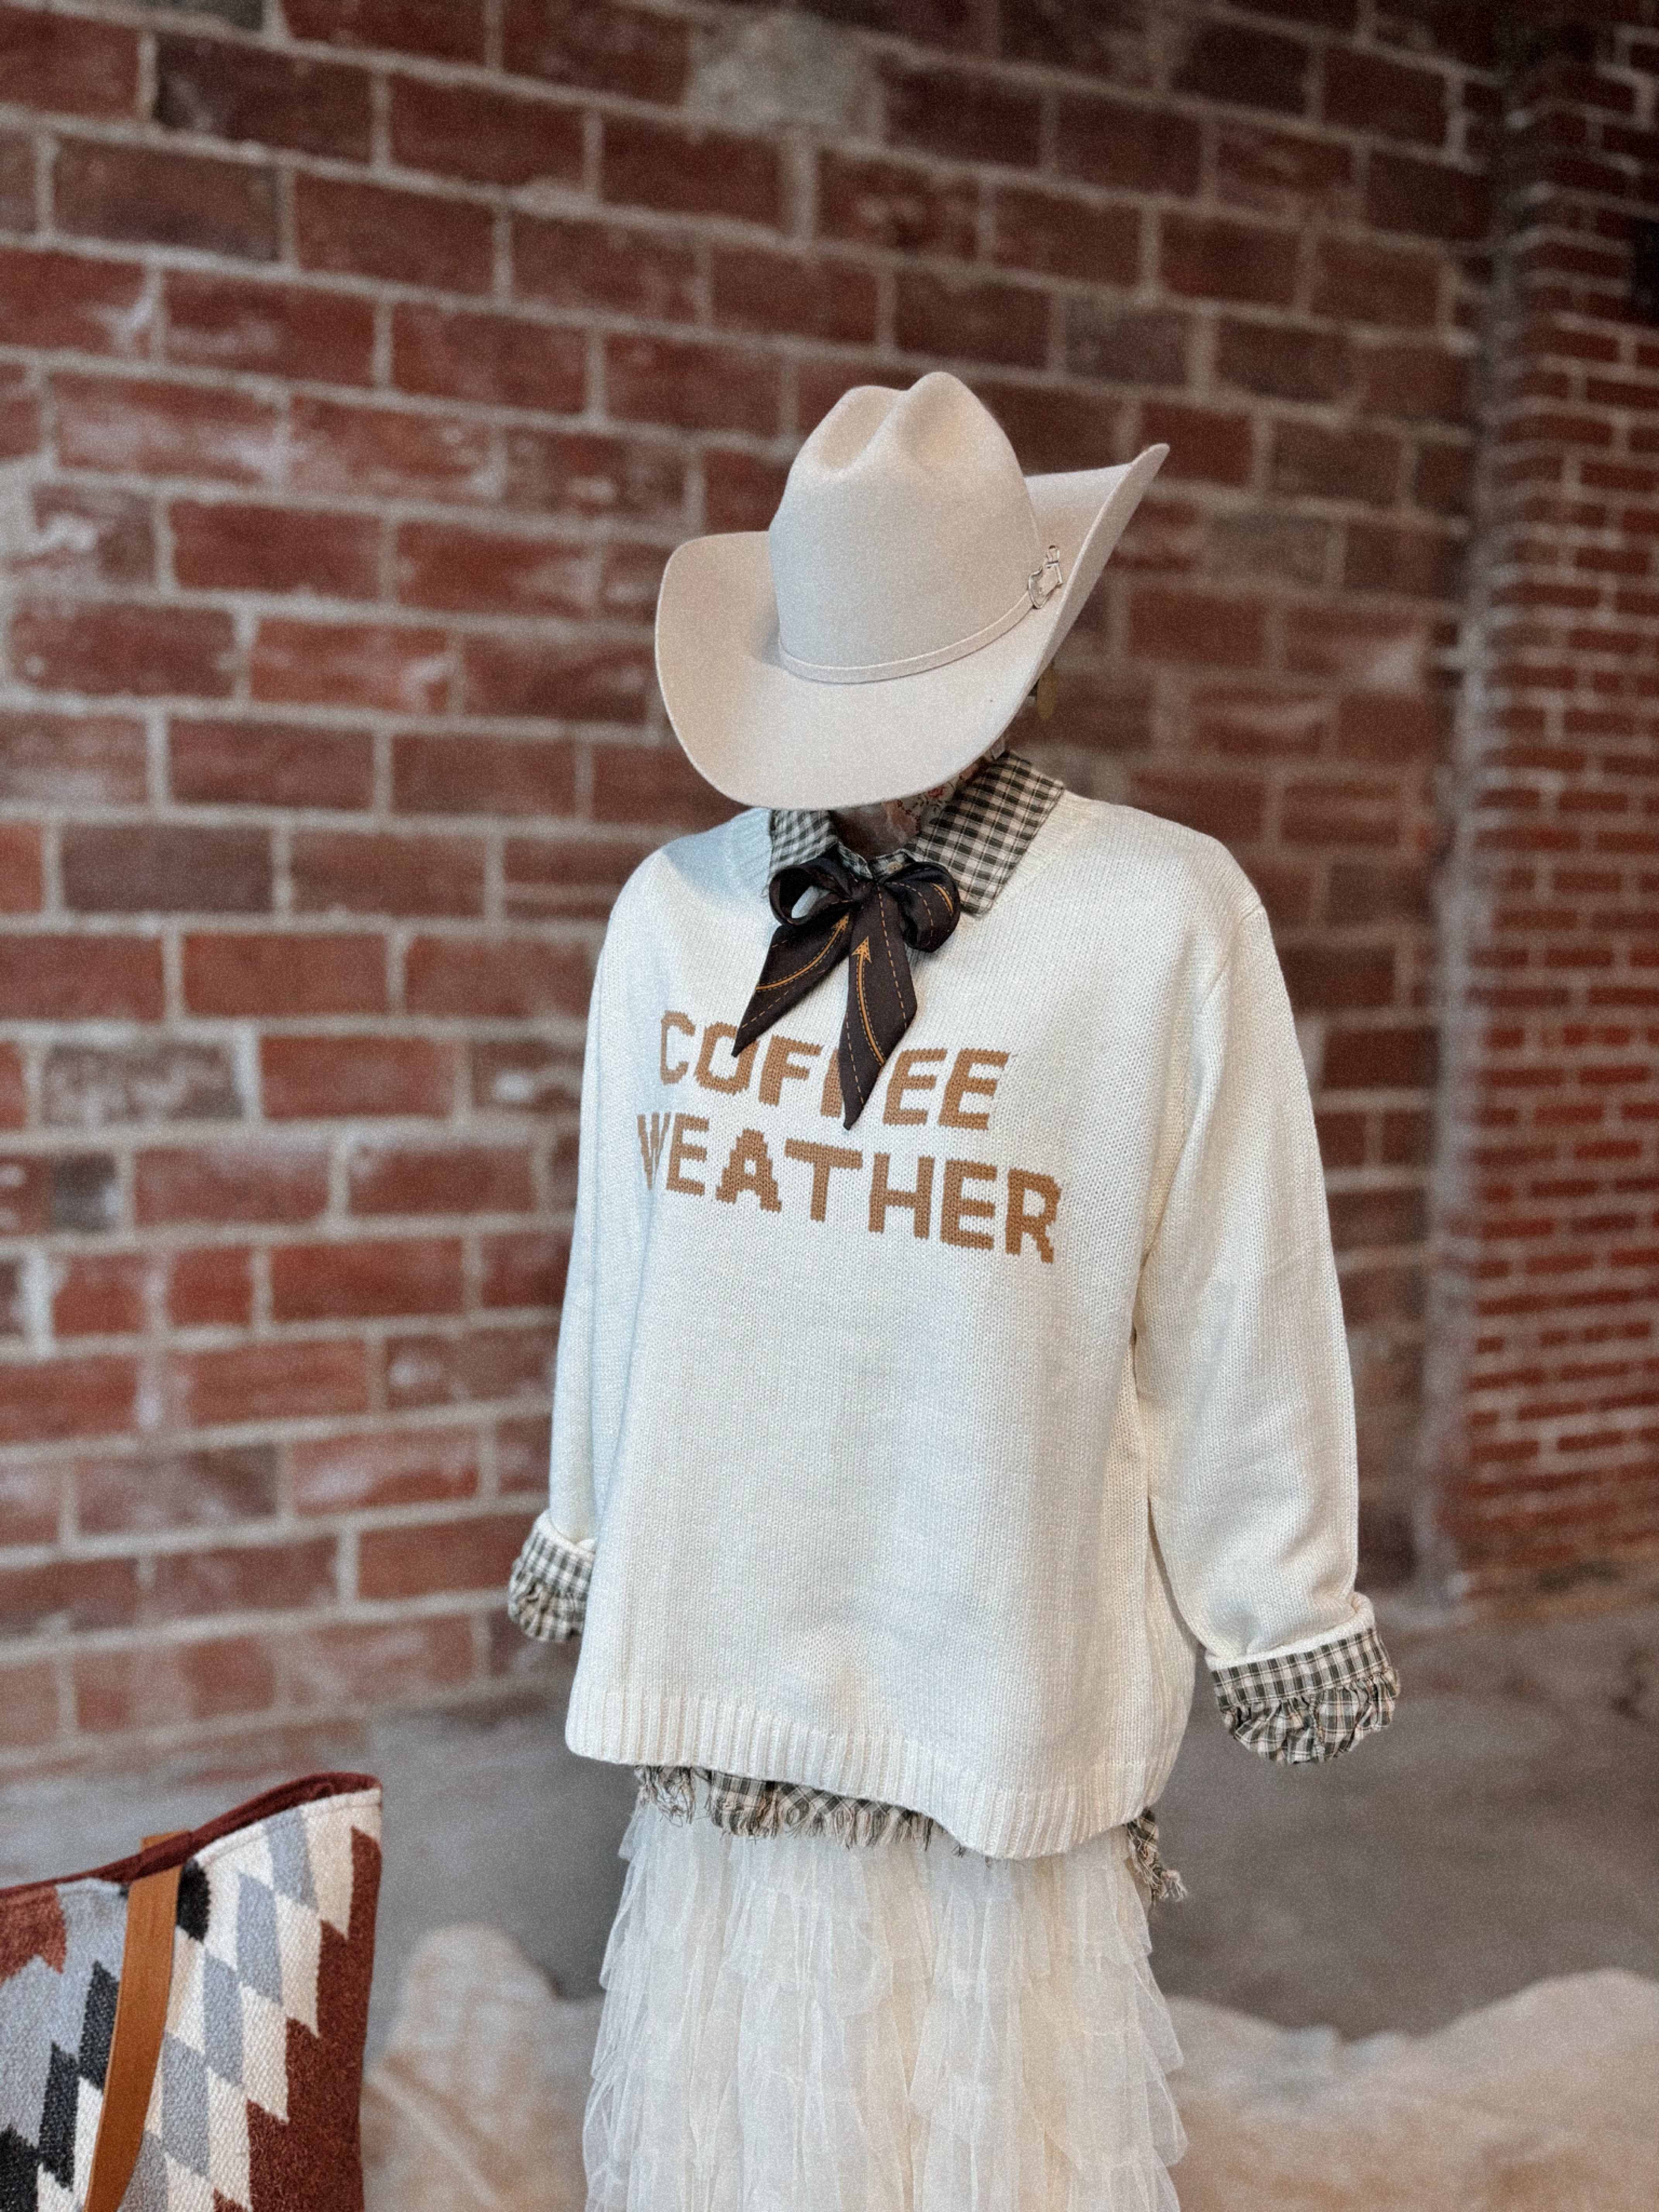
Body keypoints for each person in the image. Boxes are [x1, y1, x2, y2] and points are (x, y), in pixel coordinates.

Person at [508, 370, 1400, 2212]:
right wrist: (586, 1523)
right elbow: (626, 1269)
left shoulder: (1159, 919)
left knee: (988, 2121)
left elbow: (1242, 1287)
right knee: (748, 2108)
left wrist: (1280, 1599)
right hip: (731, 1644)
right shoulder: (672, 921)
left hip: (999, 1638)